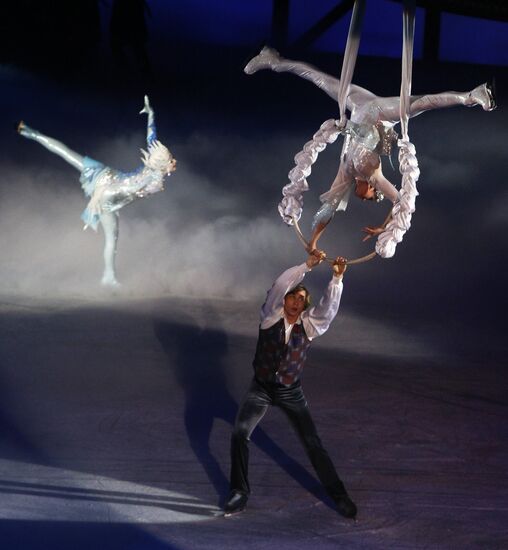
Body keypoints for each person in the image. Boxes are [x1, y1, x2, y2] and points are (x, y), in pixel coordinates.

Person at [244, 46, 496, 250]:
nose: (362, 198)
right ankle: (472, 96)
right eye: (368, 198)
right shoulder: (372, 173)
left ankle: (274, 60)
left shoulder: (346, 174)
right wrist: (385, 228)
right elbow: (400, 201)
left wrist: (313, 242)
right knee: (423, 103)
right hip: (379, 113)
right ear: (373, 190)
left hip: (359, 106)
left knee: (320, 79)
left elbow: (327, 210)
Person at [225, 251, 357, 519]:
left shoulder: (309, 326)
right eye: (292, 296)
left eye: (301, 299)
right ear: (283, 300)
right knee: (240, 433)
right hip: (260, 388)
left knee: (313, 443)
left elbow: (328, 311)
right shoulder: (270, 316)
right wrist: (306, 266)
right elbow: (280, 285)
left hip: (290, 391)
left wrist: (337, 278)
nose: (296, 301)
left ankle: (339, 495)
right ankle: (239, 492)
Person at [17, 96, 176, 286]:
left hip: (105, 175)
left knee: (67, 154)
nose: (173, 163)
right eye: (170, 161)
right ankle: (108, 277)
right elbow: (139, 190)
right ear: (161, 164)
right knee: (111, 239)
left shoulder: (153, 158)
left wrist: (151, 113)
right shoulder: (156, 176)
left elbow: (151, 134)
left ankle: (29, 132)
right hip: (109, 197)